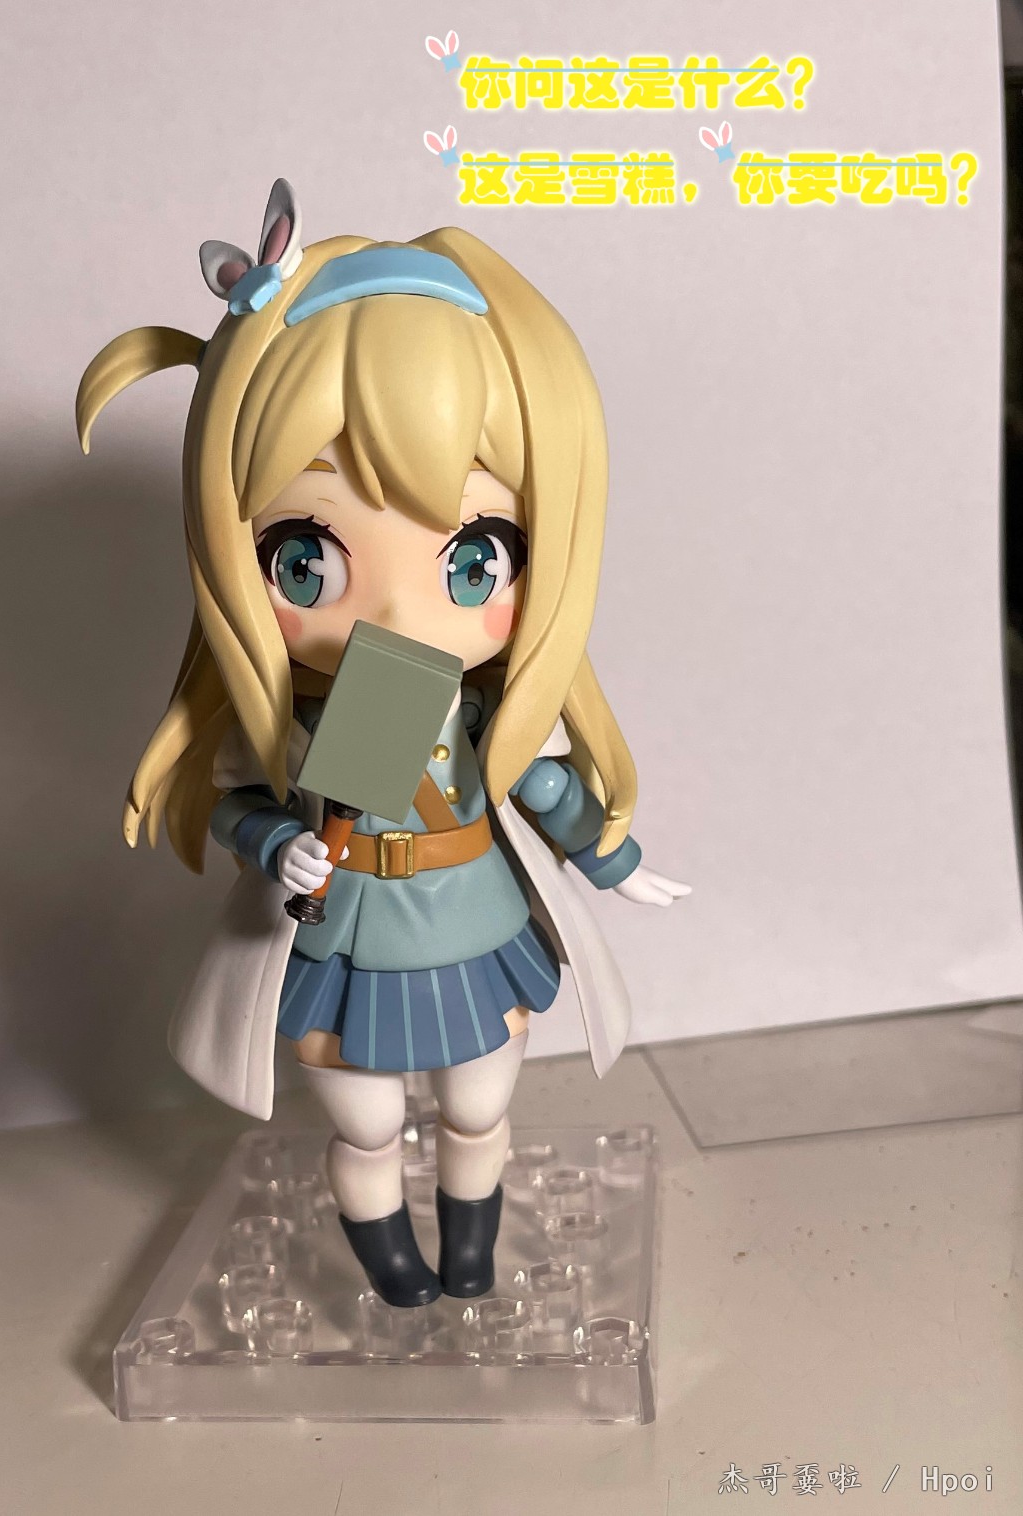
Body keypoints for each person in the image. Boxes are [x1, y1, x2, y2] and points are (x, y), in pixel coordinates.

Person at [76, 180, 689, 1308]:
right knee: (363, 1122)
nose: (402, 614)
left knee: (479, 1106)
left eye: (473, 559)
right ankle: (386, 1253)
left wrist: (615, 858)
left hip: (471, 922)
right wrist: (278, 843)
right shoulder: (298, 720)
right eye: (304, 560)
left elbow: (542, 785)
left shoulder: (471, 711)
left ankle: (471, 1244)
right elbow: (233, 798)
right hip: (347, 937)